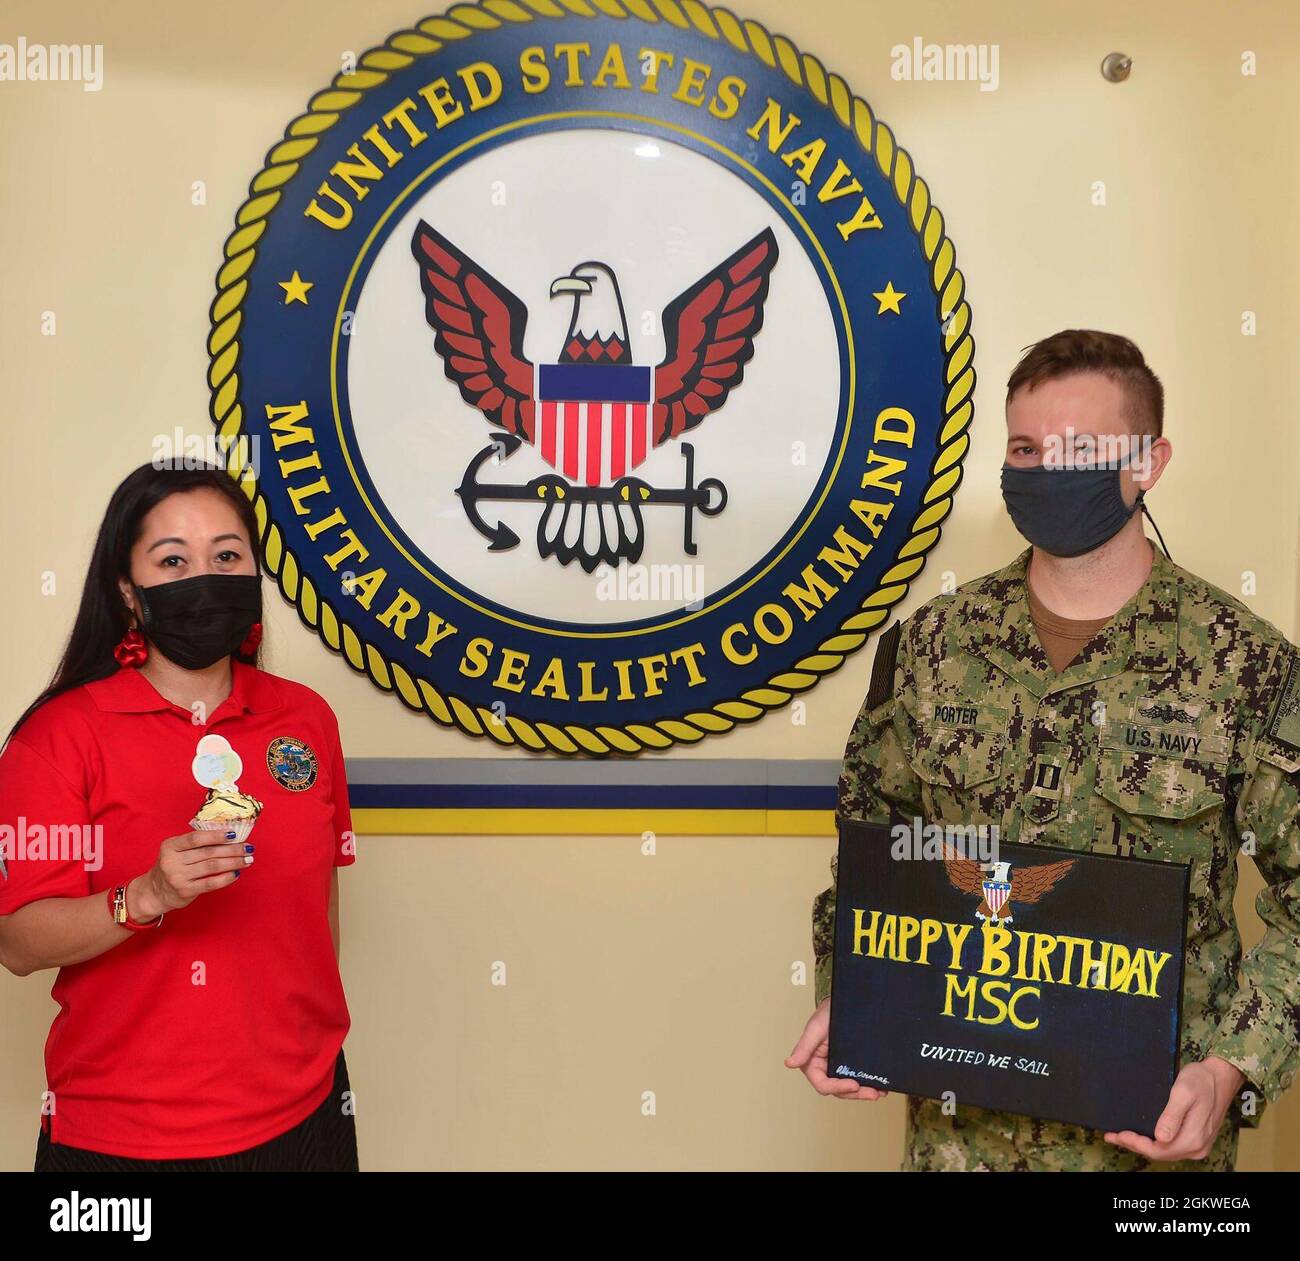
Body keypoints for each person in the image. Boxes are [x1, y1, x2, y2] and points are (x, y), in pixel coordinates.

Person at [786, 330, 1300, 1171]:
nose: (1046, 470)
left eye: (1081, 450)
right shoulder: (931, 647)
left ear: (1148, 462)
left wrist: (1230, 1069)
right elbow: (872, 848)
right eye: (1026, 448)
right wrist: (854, 996)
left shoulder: (1245, 665)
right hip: (959, 1140)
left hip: (1152, 1152)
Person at [0, 462, 358, 1172]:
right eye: (174, 560)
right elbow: (17, 943)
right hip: (126, 1138)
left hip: (307, 1114)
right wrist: (148, 896)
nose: (207, 576)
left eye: (227, 555)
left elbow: (320, 904)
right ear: (129, 591)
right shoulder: (56, 738)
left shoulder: (305, 719)